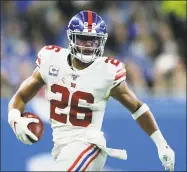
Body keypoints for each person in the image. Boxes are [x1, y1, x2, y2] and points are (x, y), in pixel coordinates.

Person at [8, 10, 175, 171]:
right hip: (61, 147)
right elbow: (21, 96)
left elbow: (137, 108)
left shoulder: (107, 72)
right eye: (83, 39)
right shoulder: (51, 60)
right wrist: (15, 118)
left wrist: (162, 144)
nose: (88, 45)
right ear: (71, 37)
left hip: (90, 146)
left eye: (93, 40)